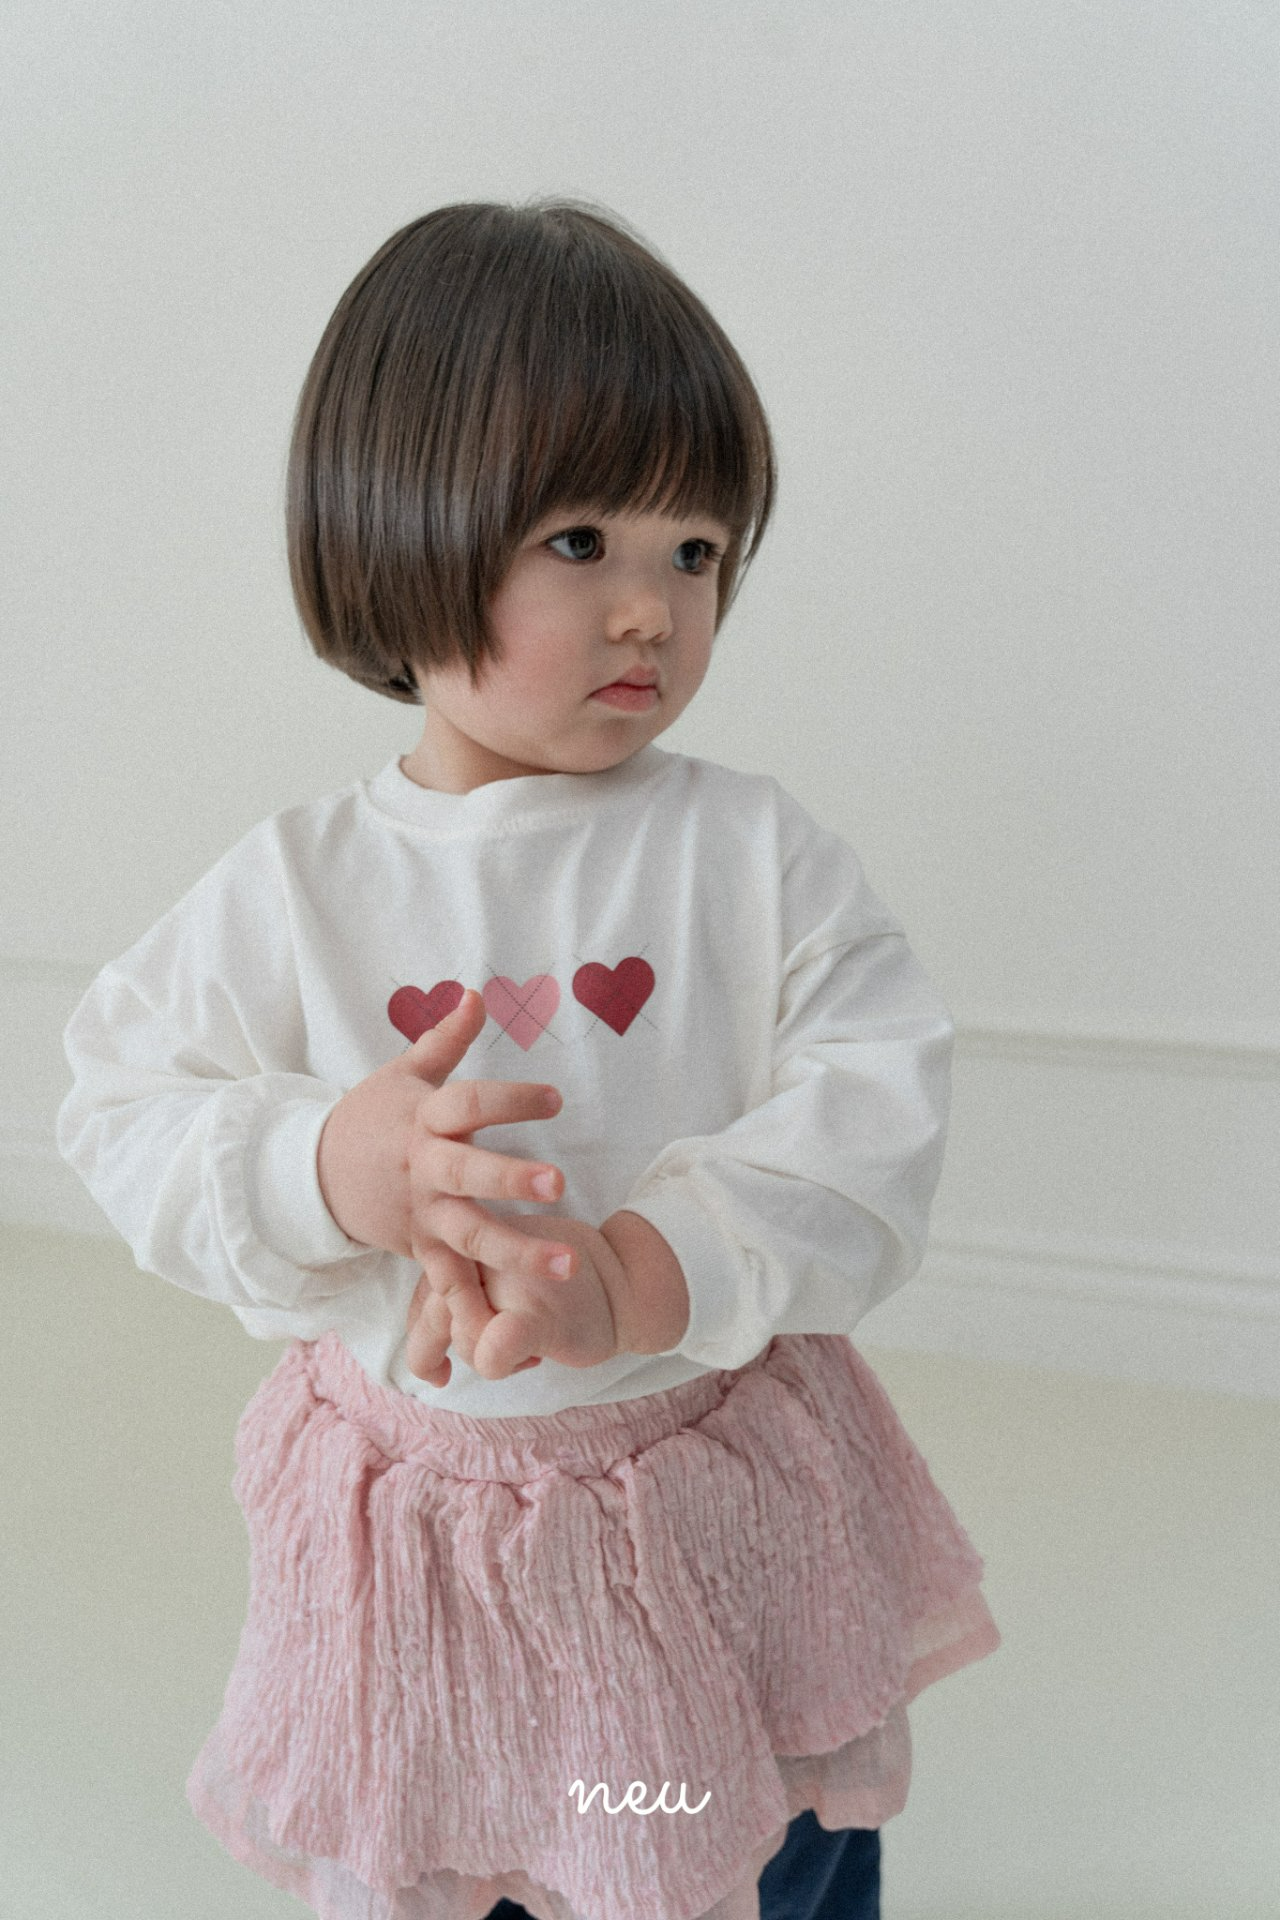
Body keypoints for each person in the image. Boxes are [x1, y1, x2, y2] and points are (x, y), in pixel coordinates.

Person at [56, 199, 1000, 1920]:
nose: (652, 610)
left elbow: (874, 1121)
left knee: (749, 1845)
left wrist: (645, 1270)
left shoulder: (753, 854)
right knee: (463, 1849)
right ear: (395, 532)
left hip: (700, 1509)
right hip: (427, 1548)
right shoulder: (296, 887)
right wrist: (326, 1167)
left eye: (696, 550)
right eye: (582, 540)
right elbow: (120, 1108)